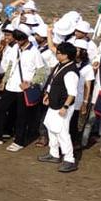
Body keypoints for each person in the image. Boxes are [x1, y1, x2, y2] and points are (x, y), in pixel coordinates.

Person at [38, 42, 80, 173]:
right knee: (51, 128)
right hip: (54, 103)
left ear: (66, 55)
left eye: (59, 53)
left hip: (62, 106)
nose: (57, 54)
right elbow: (53, 82)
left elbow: (72, 93)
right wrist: (48, 95)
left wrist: (65, 106)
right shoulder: (61, 65)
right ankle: (54, 153)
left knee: (62, 132)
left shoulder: (71, 71)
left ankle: (69, 159)